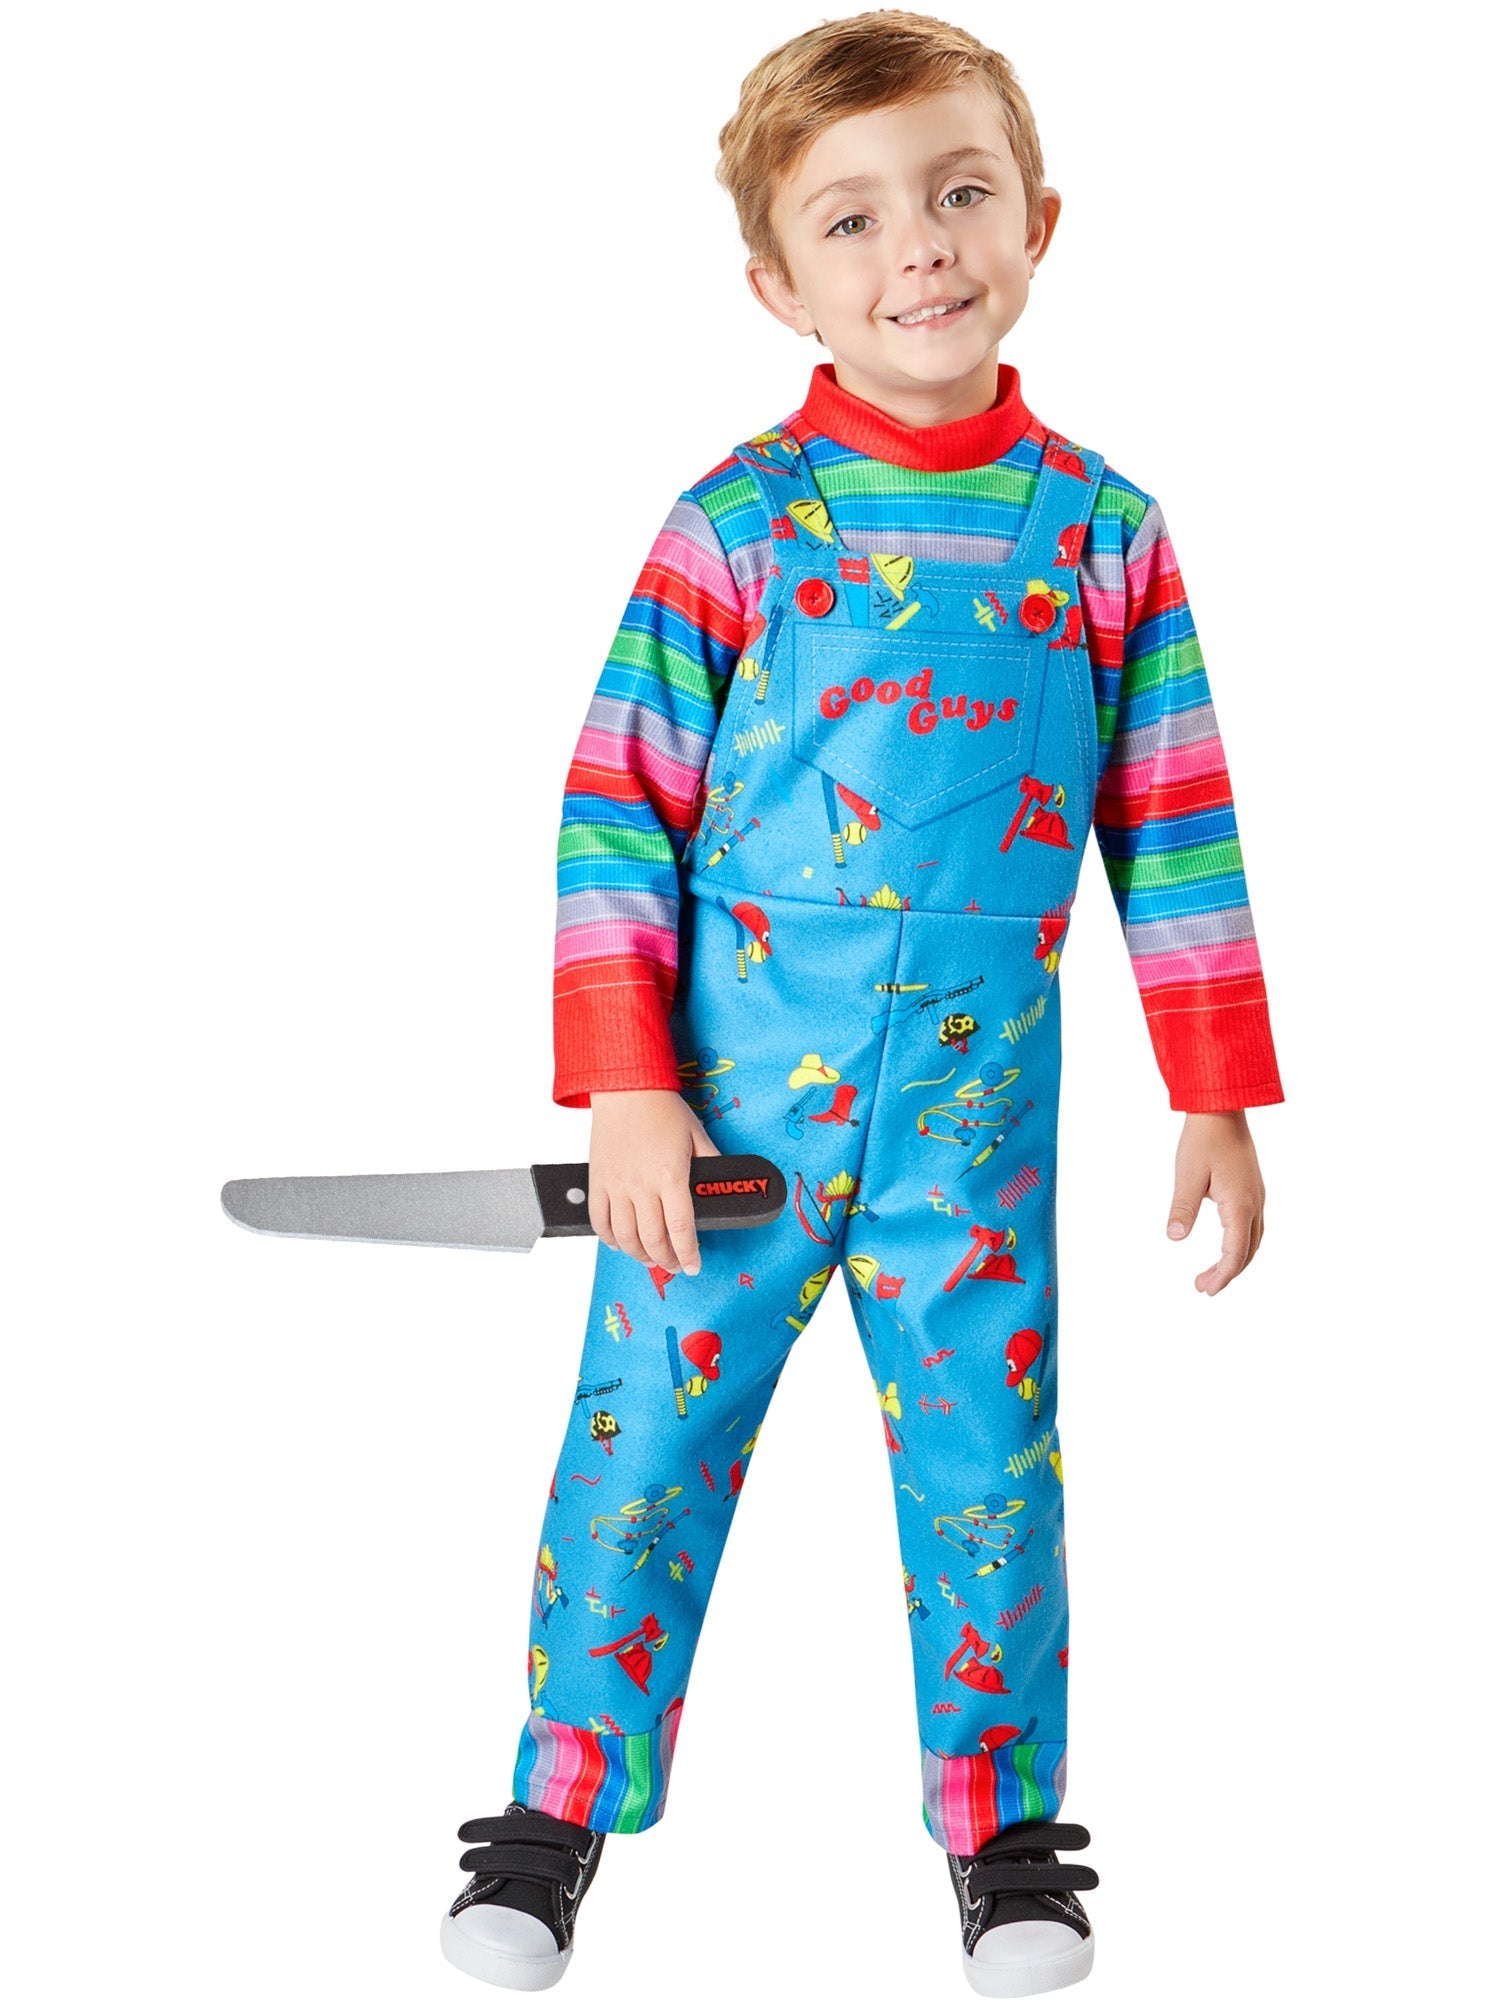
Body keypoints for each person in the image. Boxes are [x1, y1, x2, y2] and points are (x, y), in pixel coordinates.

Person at [440, 12, 1283, 1994]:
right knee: (640, 1454)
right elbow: (613, 809)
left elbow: (1175, 821)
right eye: (853, 219)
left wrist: (1215, 1089)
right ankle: (554, 1807)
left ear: (1039, 223)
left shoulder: (1106, 535)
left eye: (961, 194)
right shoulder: (733, 528)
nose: (920, 247)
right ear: (776, 284)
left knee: (992, 1472)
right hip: (718, 1134)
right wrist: (624, 1086)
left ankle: (1007, 1837)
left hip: (971, 1140)